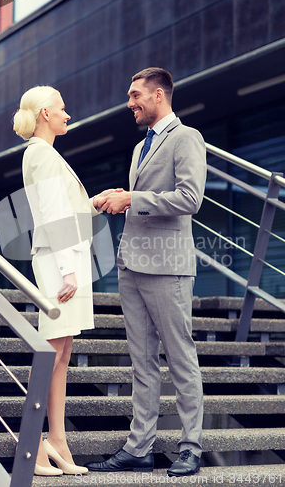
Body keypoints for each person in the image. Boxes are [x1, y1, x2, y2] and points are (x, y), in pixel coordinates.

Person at [85, 68, 206, 477]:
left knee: (180, 357)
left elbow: (190, 198)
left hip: (168, 267)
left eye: (135, 95)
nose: (130, 103)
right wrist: (116, 197)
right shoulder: (140, 148)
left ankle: (191, 447)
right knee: (141, 362)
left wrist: (132, 197)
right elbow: (142, 198)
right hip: (131, 264)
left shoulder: (186, 138)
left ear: (159, 95)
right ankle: (140, 448)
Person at [13, 86, 110, 476]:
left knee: (63, 354)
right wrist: (69, 271)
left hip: (63, 258)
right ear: (44, 115)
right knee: (51, 356)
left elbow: (63, 210)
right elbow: (52, 216)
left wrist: (92, 201)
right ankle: (35, 443)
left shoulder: (45, 154)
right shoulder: (40, 153)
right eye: (62, 109)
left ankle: (57, 439)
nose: (68, 114)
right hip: (59, 263)